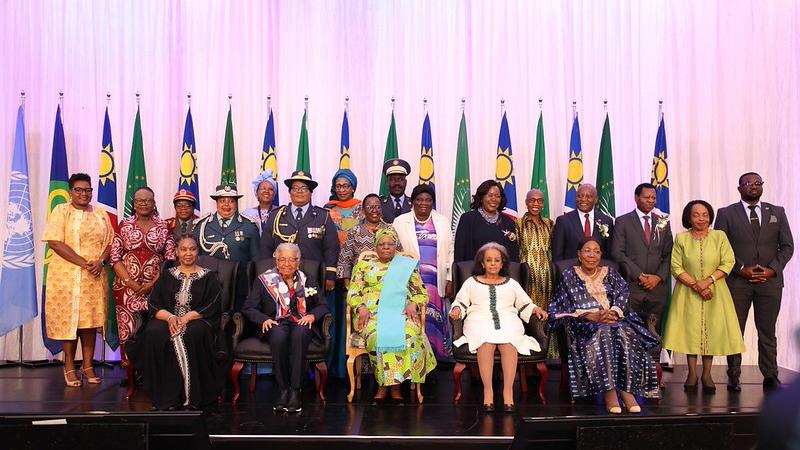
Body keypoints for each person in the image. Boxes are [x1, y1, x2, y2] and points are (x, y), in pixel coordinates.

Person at [549, 238, 660, 414]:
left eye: (596, 251)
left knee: (623, 331)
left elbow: (623, 295)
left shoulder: (611, 272)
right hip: (584, 323)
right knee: (605, 331)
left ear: (601, 255)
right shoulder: (569, 275)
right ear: (579, 254)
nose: (592, 255)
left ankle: (626, 391)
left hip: (613, 318)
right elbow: (561, 305)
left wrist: (613, 312)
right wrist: (591, 315)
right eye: (587, 251)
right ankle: (609, 393)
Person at [715, 172, 794, 392]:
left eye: (758, 183)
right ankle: (733, 376)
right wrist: (741, 269)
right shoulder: (726, 213)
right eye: (748, 183)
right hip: (738, 282)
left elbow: (787, 246)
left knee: (767, 331)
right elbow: (721, 247)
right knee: (734, 330)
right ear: (739, 188)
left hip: (769, 283)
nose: (753, 186)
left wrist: (772, 270)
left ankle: (770, 375)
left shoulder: (777, 212)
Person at [449, 243, 548, 412]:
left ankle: (507, 392)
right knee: (485, 341)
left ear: (502, 264)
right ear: (482, 263)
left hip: (508, 319)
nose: (493, 264)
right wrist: (457, 309)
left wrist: (536, 309)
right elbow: (460, 302)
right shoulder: (470, 283)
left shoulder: (512, 283)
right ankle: (488, 392)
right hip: (478, 319)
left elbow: (525, 304)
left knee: (508, 342)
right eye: (489, 260)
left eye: (497, 260)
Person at [128, 234, 222, 411]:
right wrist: (171, 318)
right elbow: (154, 303)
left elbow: (212, 303)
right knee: (154, 332)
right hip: (168, 318)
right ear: (177, 252)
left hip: (197, 319)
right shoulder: (167, 275)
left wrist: (185, 318)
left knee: (190, 333)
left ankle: (191, 396)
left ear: (197, 252)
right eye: (184, 249)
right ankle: (165, 395)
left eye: (192, 249)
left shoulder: (209, 277)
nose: (188, 253)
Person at [662, 200, 745, 393]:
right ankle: (692, 373)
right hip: (687, 291)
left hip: (715, 291)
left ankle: (707, 374)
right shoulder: (681, 238)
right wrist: (695, 285)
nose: (701, 218)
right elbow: (675, 266)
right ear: (688, 218)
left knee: (711, 332)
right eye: (696, 214)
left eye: (705, 214)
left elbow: (728, 261)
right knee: (691, 331)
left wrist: (707, 282)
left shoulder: (719, 236)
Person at [346, 229, 436, 403]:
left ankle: (396, 387)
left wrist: (413, 303)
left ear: (395, 246)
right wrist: (361, 307)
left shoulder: (406, 265)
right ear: (375, 246)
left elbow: (422, 294)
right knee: (377, 336)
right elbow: (352, 293)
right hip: (371, 315)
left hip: (400, 312)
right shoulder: (363, 266)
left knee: (410, 335)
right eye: (381, 244)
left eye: (390, 244)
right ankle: (382, 385)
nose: (386, 247)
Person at [43, 173, 114, 387]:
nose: (84, 194)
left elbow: (110, 242)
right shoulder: (61, 211)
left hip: (94, 276)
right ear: (70, 192)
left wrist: (101, 261)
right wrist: (84, 263)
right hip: (66, 277)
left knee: (89, 322)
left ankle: (88, 365)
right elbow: (55, 242)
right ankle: (69, 367)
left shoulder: (101, 213)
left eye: (88, 190)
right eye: (79, 190)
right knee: (70, 322)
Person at [243, 243, 329, 413]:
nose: (287, 264)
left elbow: (323, 305)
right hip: (275, 322)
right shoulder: (263, 280)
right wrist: (263, 320)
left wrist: (312, 315)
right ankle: (283, 389)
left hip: (301, 321)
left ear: (298, 262)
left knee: (300, 334)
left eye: (291, 260)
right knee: (279, 335)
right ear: (276, 260)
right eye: (282, 259)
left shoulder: (308, 279)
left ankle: (295, 390)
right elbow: (249, 307)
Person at [110, 186, 176, 366]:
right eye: (140, 200)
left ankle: (151, 368)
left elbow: (169, 258)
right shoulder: (124, 225)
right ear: (134, 203)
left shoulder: (164, 226)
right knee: (128, 328)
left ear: (154, 203)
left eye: (148, 200)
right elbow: (115, 258)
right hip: (126, 287)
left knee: (153, 327)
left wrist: (154, 283)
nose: (144, 204)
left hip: (156, 287)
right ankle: (130, 367)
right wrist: (129, 282)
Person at [394, 184, 454, 361]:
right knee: (414, 318)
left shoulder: (442, 221)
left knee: (434, 319)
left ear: (432, 202)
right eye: (419, 199)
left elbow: (450, 250)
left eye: (428, 200)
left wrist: (449, 279)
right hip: (410, 280)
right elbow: (396, 252)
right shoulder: (400, 221)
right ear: (412, 201)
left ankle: (436, 357)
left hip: (436, 281)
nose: (423, 203)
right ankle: (415, 358)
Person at [610, 183, 673, 336]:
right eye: (647, 197)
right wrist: (639, 275)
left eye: (653, 198)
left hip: (656, 288)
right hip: (632, 286)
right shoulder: (622, 221)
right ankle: (632, 360)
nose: (651, 201)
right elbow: (617, 253)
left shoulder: (663, 222)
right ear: (636, 198)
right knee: (630, 330)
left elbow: (668, 254)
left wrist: (657, 277)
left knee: (654, 331)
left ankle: (654, 360)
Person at [261, 171, 340, 293]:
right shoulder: (276, 216)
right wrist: (267, 273)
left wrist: (330, 275)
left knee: (312, 310)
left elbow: (331, 248)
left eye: (304, 188)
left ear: (311, 192)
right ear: (289, 192)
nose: (299, 191)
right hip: (280, 276)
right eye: (295, 188)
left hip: (313, 276)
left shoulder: (323, 216)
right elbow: (266, 247)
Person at [336, 194, 400, 285]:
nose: (374, 210)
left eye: (378, 207)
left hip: (387, 283)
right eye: (370, 207)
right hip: (360, 283)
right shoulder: (355, 231)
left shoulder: (390, 230)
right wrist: (347, 286)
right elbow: (344, 260)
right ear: (363, 211)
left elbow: (400, 255)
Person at [454, 179, 520, 263]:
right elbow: (459, 252)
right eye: (490, 195)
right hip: (473, 273)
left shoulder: (509, 222)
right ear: (481, 198)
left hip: (502, 274)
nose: (494, 199)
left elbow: (513, 255)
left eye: (497, 196)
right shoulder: (467, 219)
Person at [552, 184, 614, 263]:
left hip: (599, 272)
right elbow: (557, 254)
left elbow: (609, 253)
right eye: (579, 196)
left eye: (588, 196)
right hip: (571, 272)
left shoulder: (607, 221)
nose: (583, 199)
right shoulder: (563, 221)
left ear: (596, 199)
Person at [324, 168, 363, 245]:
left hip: (358, 252)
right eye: (338, 186)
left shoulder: (362, 208)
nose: (341, 190)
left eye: (345, 186)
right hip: (333, 253)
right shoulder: (328, 209)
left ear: (353, 188)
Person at [242, 170, 280, 234]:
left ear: (274, 194)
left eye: (270, 189)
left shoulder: (281, 213)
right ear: (256, 193)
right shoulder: (247, 214)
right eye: (263, 188)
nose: (266, 191)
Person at [379, 158, 412, 223]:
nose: (397, 183)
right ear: (387, 182)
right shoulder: (379, 203)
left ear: (406, 182)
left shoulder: (414, 203)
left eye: (400, 179)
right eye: (393, 179)